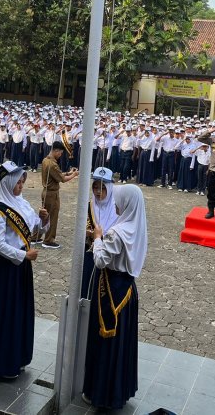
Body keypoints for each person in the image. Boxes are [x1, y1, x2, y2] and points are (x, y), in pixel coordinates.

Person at [0, 161, 49, 379]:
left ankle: (19, 357)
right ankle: (2, 364)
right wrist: (24, 255)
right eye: (17, 182)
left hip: (21, 266)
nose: (21, 186)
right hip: (6, 268)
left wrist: (45, 220)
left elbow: (35, 231)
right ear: (7, 182)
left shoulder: (20, 202)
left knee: (20, 313)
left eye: (23, 182)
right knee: (5, 315)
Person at [82, 184, 147, 410]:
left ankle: (100, 393)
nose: (115, 203)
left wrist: (98, 238)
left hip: (110, 290)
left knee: (105, 343)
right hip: (128, 291)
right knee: (122, 344)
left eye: (119, 200)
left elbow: (100, 260)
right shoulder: (137, 228)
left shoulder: (117, 233)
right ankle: (120, 391)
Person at [81, 167, 118, 298]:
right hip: (90, 255)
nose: (98, 191)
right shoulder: (88, 205)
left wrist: (100, 236)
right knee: (86, 289)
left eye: (102, 188)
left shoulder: (117, 208)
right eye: (95, 187)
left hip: (108, 258)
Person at [40, 141, 80, 249]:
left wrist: (69, 172)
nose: (61, 155)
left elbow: (57, 175)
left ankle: (37, 236)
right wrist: (74, 175)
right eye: (60, 153)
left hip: (46, 192)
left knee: (44, 216)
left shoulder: (46, 160)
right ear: (56, 151)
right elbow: (62, 179)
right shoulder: (52, 164)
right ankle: (48, 240)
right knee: (52, 217)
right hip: (52, 194)